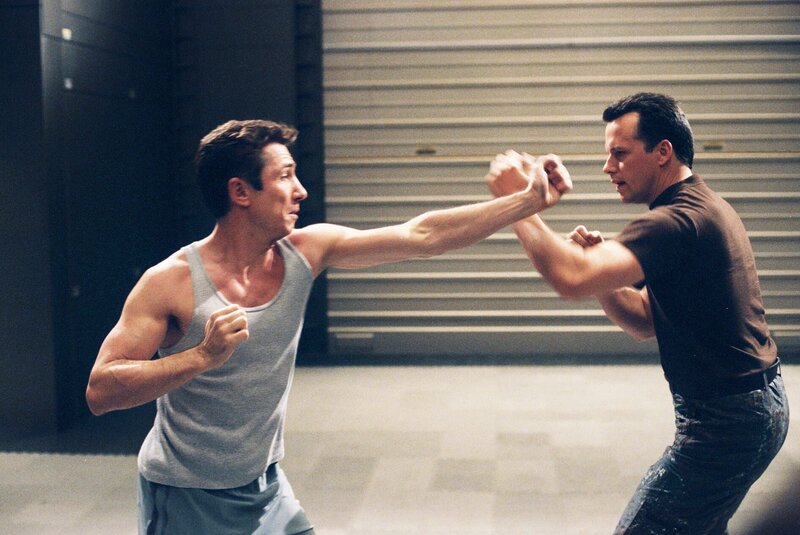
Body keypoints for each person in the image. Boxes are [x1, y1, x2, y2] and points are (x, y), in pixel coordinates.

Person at [85, 119, 571, 535]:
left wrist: (527, 201)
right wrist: (200, 356)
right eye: (285, 176)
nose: (301, 190)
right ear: (240, 192)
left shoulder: (305, 251)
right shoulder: (170, 282)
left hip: (266, 484)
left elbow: (423, 235)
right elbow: (101, 390)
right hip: (186, 494)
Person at [486, 92, 789, 534]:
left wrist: (518, 204)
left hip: (728, 423)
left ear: (663, 151)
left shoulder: (677, 220)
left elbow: (570, 278)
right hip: (747, 410)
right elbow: (645, 321)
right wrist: (606, 281)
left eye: (620, 154)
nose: (608, 167)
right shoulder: (699, 206)